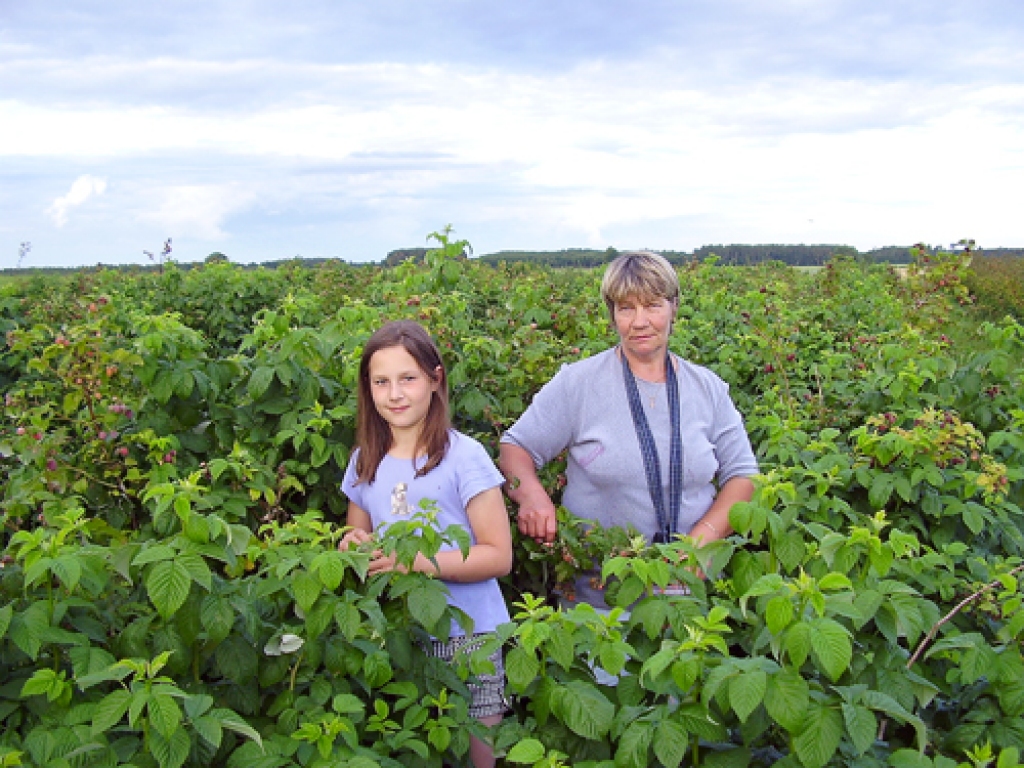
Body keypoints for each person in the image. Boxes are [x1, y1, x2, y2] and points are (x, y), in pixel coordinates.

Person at [500, 251, 758, 609]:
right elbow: (516, 448)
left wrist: (703, 540)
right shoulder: (578, 383)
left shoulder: (707, 388)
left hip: (688, 601)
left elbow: (743, 475)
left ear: (673, 308)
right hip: (597, 607)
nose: (640, 322)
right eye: (626, 308)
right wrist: (532, 497)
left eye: (652, 306)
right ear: (612, 315)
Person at [339, 320, 512, 768]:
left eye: (408, 378)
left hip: (469, 637)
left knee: (477, 756)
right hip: (399, 633)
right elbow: (357, 535)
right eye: (381, 382)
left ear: (435, 380)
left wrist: (413, 562)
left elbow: (498, 555)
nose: (394, 394)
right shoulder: (365, 459)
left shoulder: (464, 456)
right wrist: (353, 544)